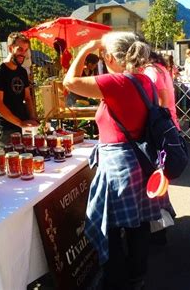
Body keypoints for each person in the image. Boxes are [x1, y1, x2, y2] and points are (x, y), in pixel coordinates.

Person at [63, 32, 173, 289]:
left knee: (107, 225)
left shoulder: (115, 82)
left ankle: (115, 279)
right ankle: (137, 276)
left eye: (103, 55)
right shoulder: (143, 80)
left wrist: (87, 48)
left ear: (110, 57)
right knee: (138, 223)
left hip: (119, 167)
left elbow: (69, 82)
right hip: (140, 162)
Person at [0, 32, 38, 151]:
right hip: (5, 131)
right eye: (20, 49)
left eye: (26, 50)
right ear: (10, 48)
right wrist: (20, 123)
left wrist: (32, 118)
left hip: (22, 128)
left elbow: (27, 98)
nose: (23, 54)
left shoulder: (22, 72)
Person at [142, 51, 180, 130]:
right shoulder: (158, 68)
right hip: (169, 121)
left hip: (165, 124)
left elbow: (163, 99)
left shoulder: (151, 70)